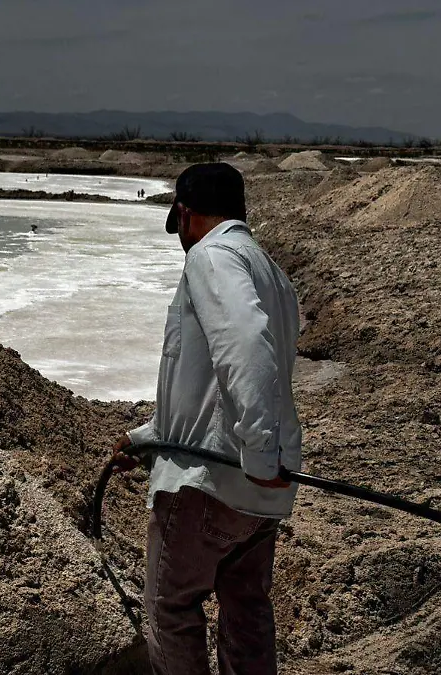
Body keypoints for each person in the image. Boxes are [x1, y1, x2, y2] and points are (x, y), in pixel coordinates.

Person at [111, 162, 302, 675]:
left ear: (185, 214)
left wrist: (258, 454)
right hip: (261, 491)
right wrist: (147, 439)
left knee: (170, 608)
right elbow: (207, 384)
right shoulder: (269, 271)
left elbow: (246, 348)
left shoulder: (210, 256)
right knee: (247, 611)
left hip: (210, 483)